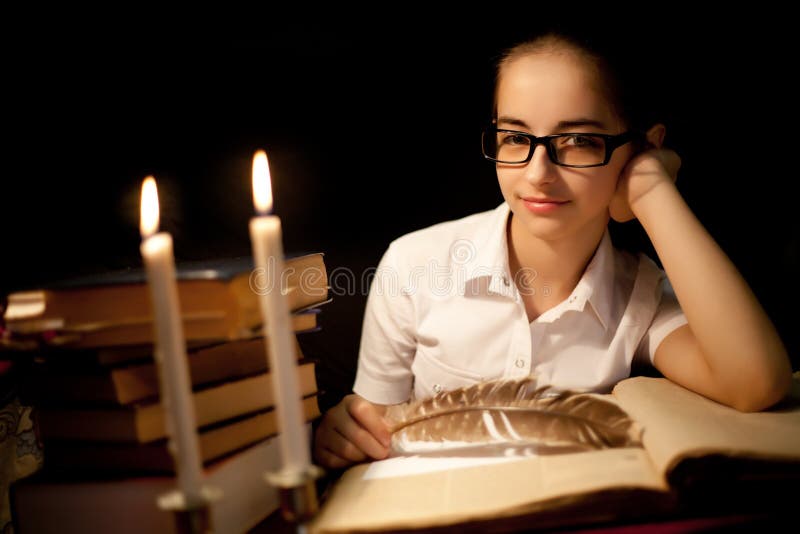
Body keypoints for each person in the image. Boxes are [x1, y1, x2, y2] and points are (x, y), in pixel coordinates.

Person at [313, 30, 793, 470]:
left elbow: (754, 383)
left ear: (641, 147)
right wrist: (344, 437)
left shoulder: (640, 297)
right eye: (517, 138)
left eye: (579, 141)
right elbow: (368, 433)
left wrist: (651, 189)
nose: (539, 173)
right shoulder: (414, 264)